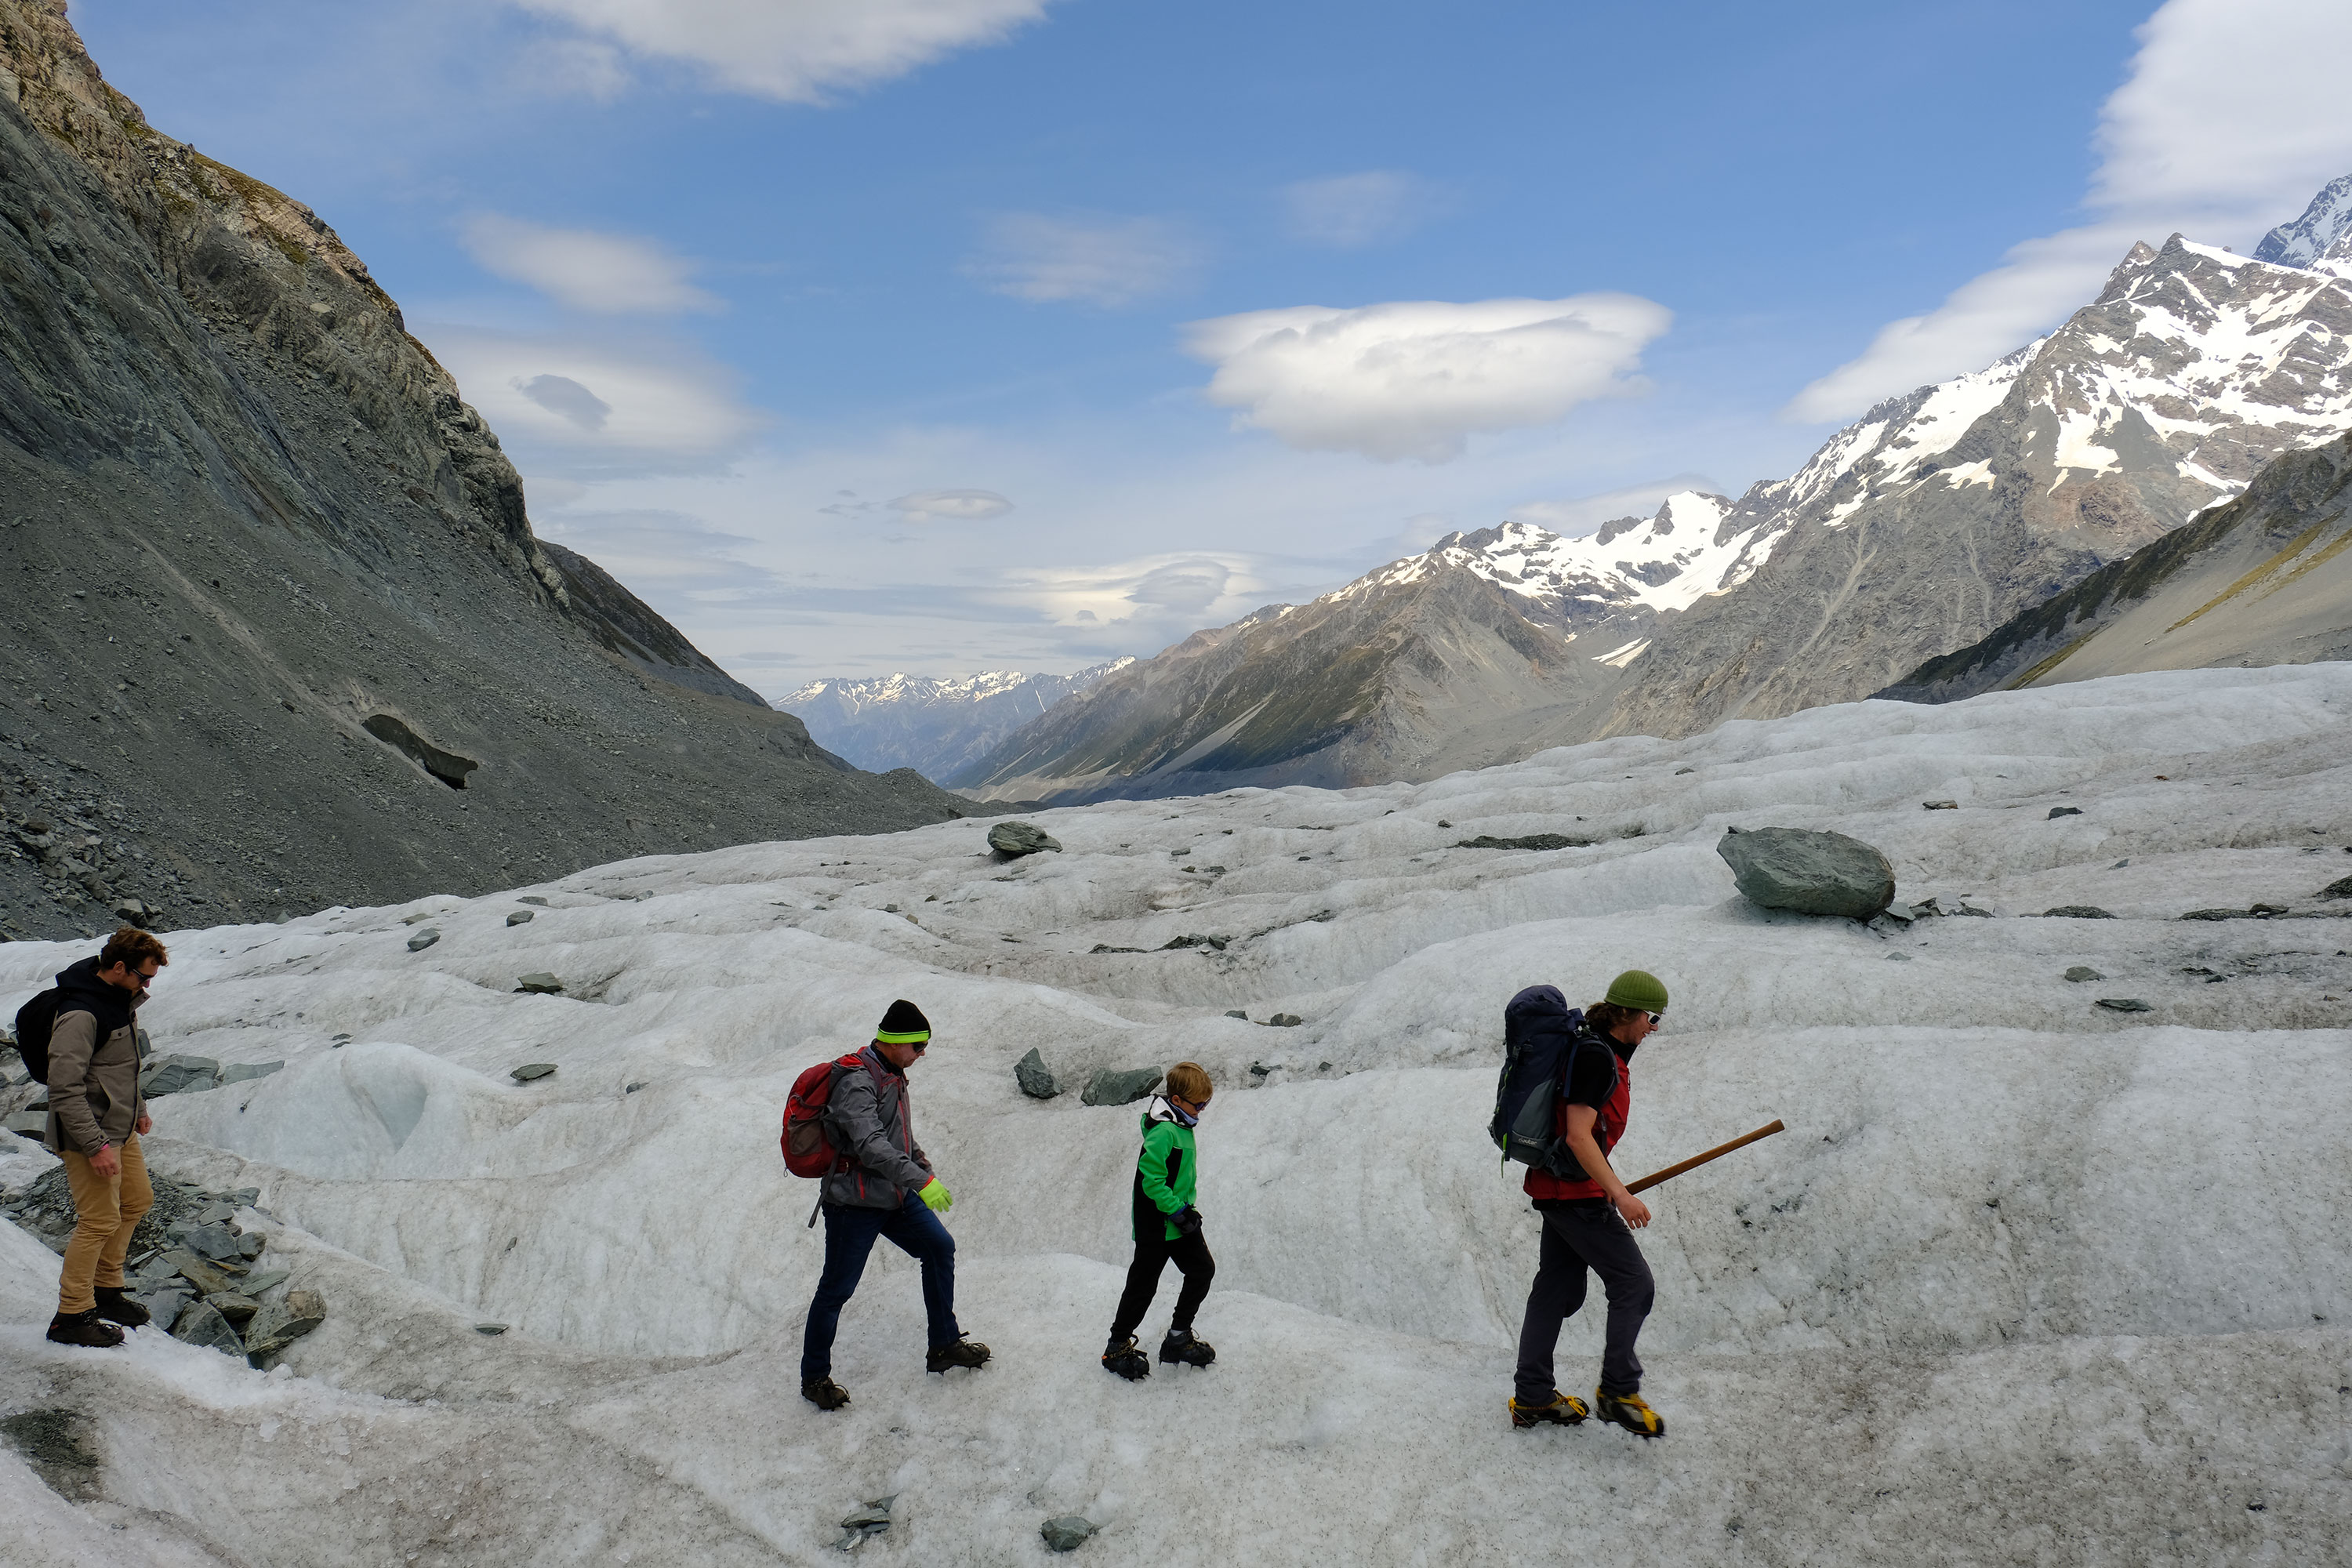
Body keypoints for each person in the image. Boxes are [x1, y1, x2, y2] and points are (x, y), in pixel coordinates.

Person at [800, 1000, 988, 1410]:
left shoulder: (892, 1072)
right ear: (895, 1042)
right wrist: (921, 1180)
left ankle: (943, 1344)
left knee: (939, 1248)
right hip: (854, 1203)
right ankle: (814, 1377)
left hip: (894, 1195)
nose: (923, 1053)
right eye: (919, 1045)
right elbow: (869, 1145)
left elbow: (896, 1133)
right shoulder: (856, 1080)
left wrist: (920, 1166)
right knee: (837, 1289)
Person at [1508, 970, 1669, 1438]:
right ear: (1627, 1013)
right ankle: (1619, 1394)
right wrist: (1619, 1194)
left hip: (1558, 1189)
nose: (1653, 1028)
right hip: (1576, 1196)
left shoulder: (1597, 1048)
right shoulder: (1596, 1056)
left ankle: (1534, 1398)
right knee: (1633, 1285)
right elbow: (1579, 1135)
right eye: (1650, 1017)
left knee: (1556, 1289)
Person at [44, 927, 168, 1348]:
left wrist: (140, 1109)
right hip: (88, 1134)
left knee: (136, 1201)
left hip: (119, 1125)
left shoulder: (121, 1001)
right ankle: (72, 1315)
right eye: (143, 976)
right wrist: (95, 1146)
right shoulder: (81, 1014)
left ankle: (106, 1290)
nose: (147, 985)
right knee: (98, 1219)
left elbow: (120, 1067)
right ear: (118, 967)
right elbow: (64, 1088)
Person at [1102, 1062, 1217, 1379]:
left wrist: (1184, 1212)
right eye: (1199, 1104)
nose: (1202, 1110)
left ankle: (1178, 1338)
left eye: (1206, 1103)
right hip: (1158, 1224)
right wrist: (1177, 1211)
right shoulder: (1165, 1131)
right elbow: (1151, 1181)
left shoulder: (1181, 1125)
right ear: (1177, 1101)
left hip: (1179, 1220)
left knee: (1202, 1270)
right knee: (1142, 1286)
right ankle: (1116, 1347)